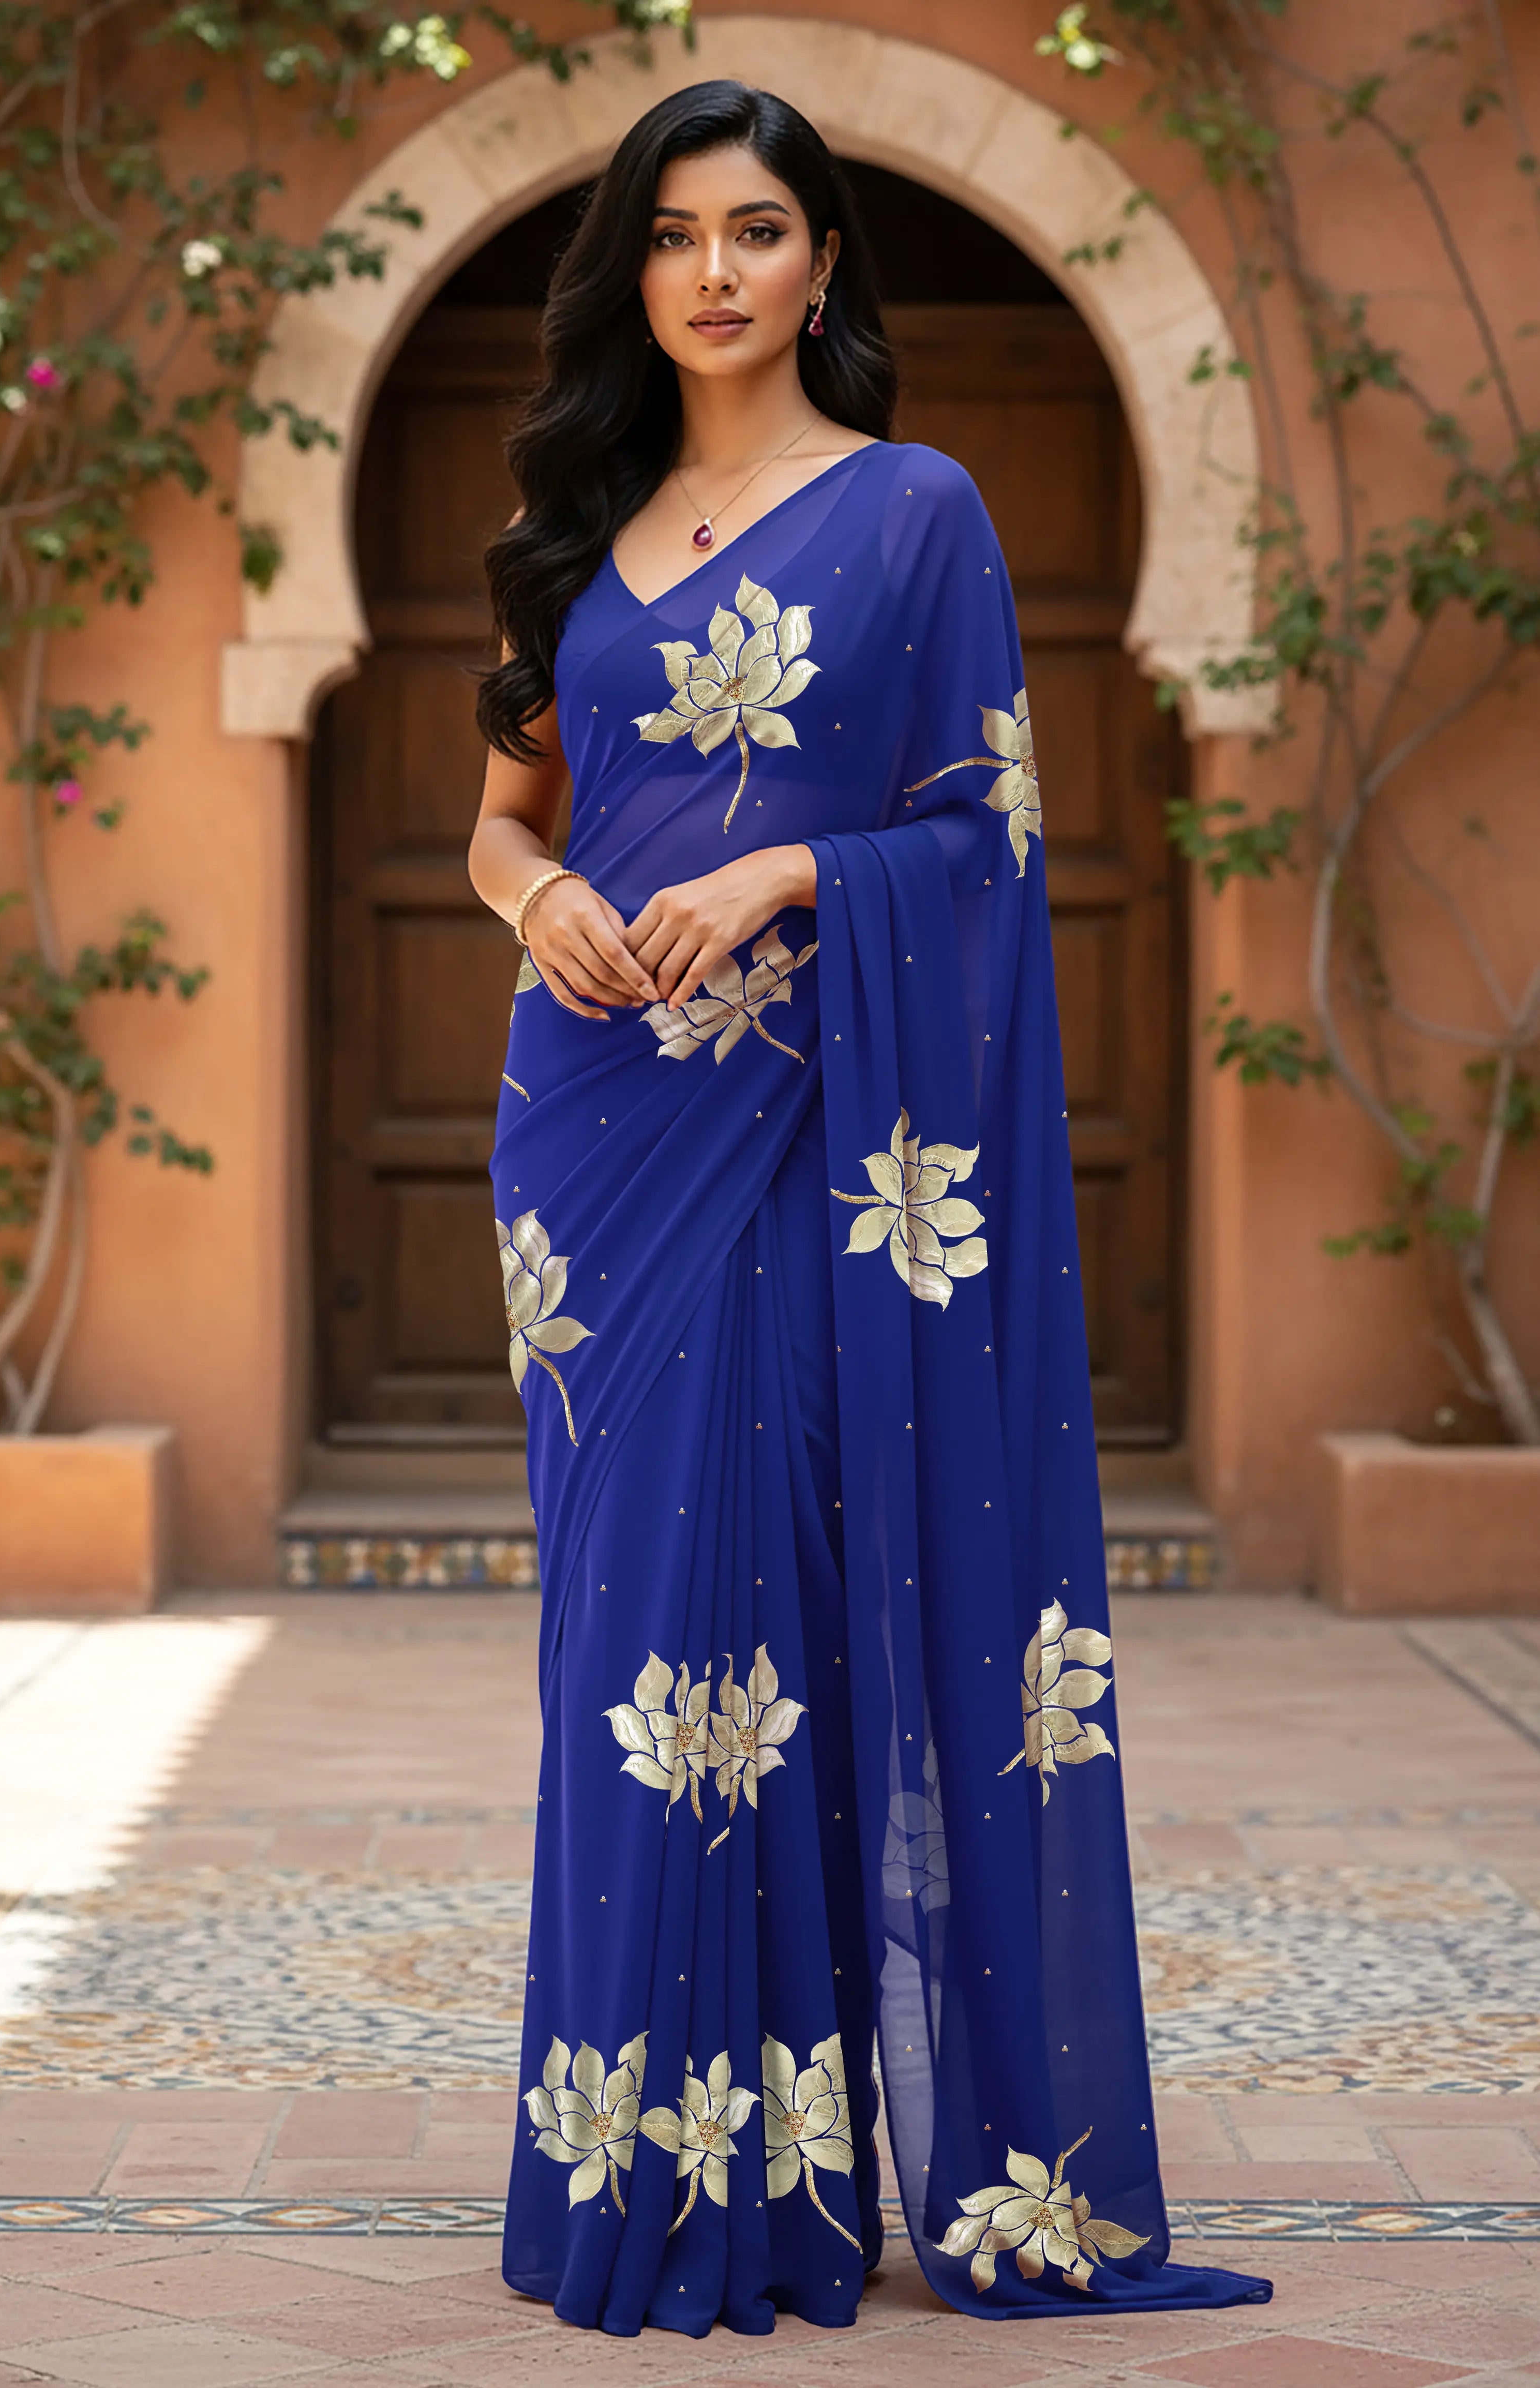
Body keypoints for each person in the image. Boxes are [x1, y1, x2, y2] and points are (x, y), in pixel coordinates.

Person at [466, 77, 1271, 2340]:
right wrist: (535, 899)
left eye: (755, 230)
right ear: (631, 271)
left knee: (782, 1620)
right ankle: (643, 2166)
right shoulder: (571, 521)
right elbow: (500, 818)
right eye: (672, 235)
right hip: (596, 1152)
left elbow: (983, 841)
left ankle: (783, 2189)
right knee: (625, 1648)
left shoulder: (916, 513)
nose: (712, 271)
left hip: (811, 1139)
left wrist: (788, 871)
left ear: (822, 261)